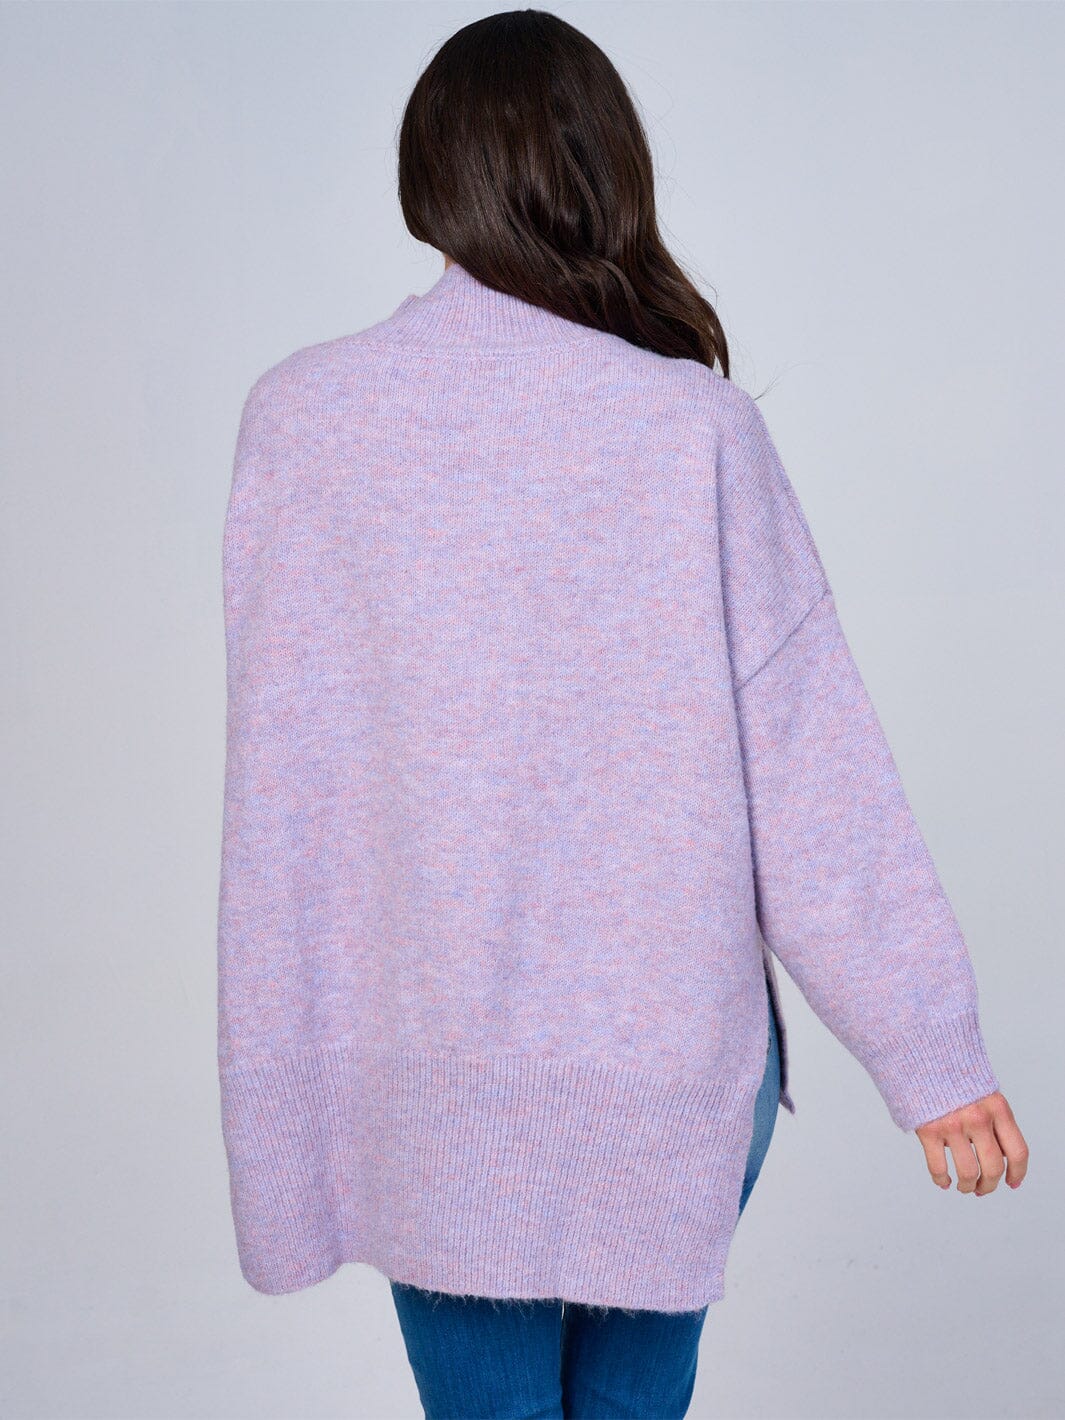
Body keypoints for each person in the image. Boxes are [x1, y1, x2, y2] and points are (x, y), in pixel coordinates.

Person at [215, 10, 1029, 1419]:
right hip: (663, 1070)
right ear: (607, 174)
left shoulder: (302, 421)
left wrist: (282, 1098)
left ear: (428, 178)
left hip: (429, 1077)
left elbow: (285, 801)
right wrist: (928, 1050)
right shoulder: (689, 429)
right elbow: (811, 771)